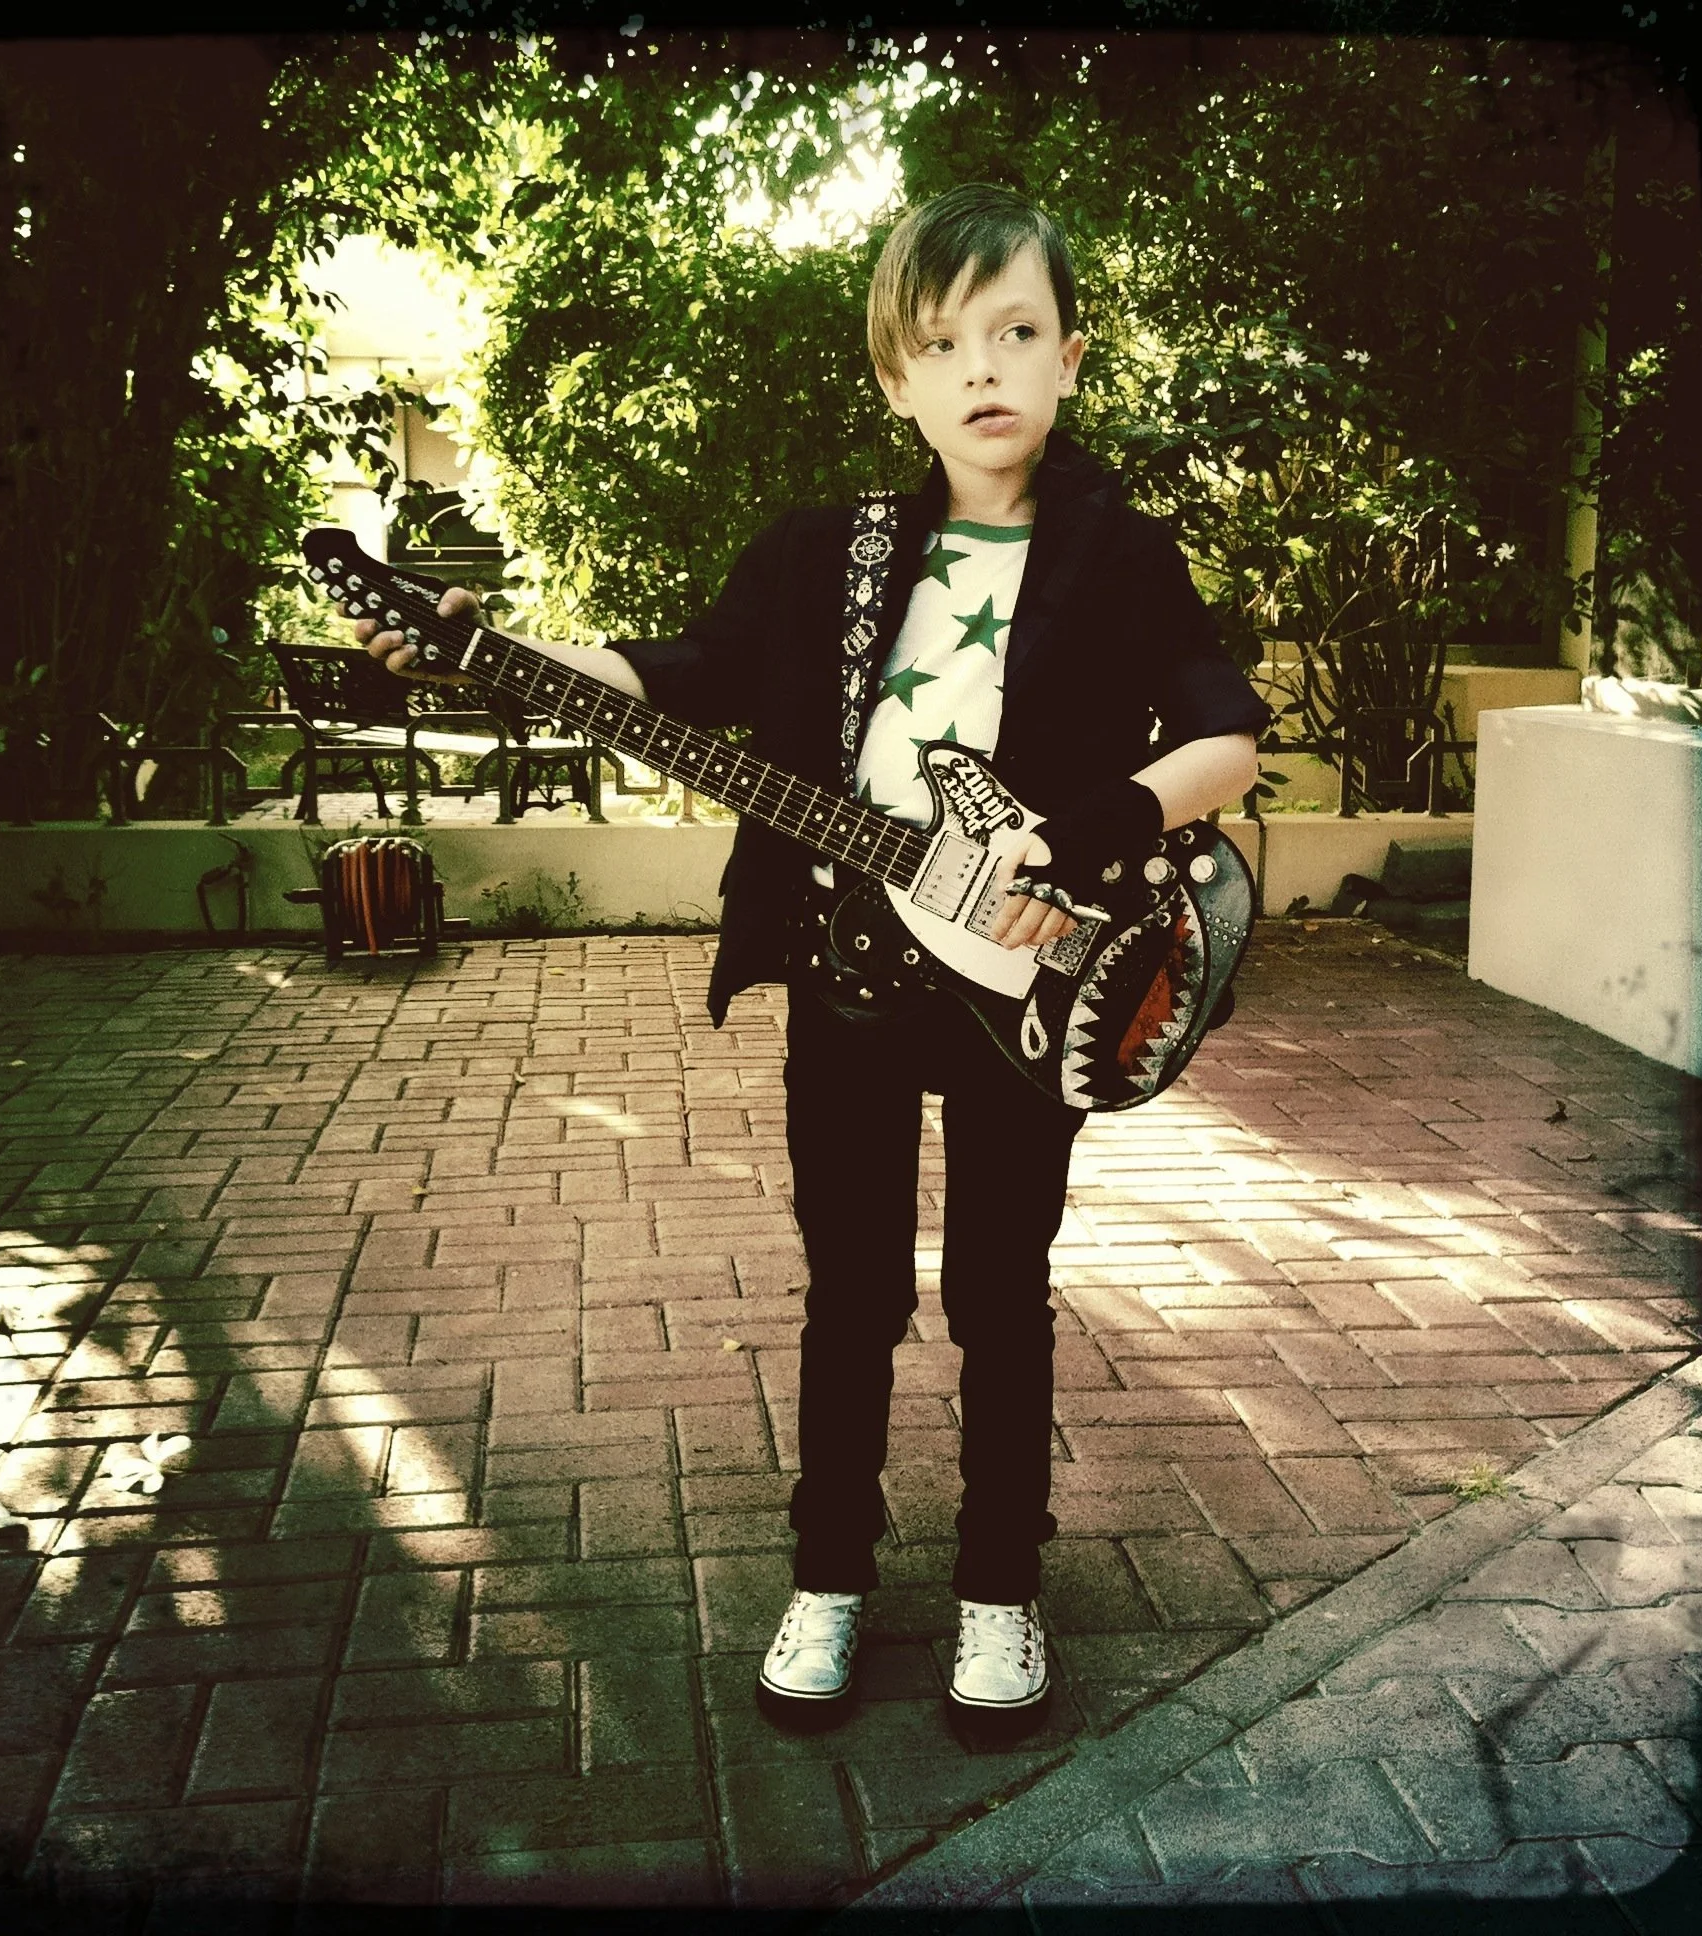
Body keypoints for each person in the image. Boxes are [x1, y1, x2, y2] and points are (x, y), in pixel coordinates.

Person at [356, 184, 1268, 1737]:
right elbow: (682, 672)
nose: (983, 368)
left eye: (1017, 333)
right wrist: (492, 654)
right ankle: (830, 1574)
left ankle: (999, 1590)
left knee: (1000, 1294)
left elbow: (1225, 739)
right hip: (850, 983)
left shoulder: (1122, 556)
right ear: (896, 381)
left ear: (1068, 359)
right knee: (851, 1294)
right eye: (942, 343)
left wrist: (1083, 832)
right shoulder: (826, 554)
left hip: (1028, 985)